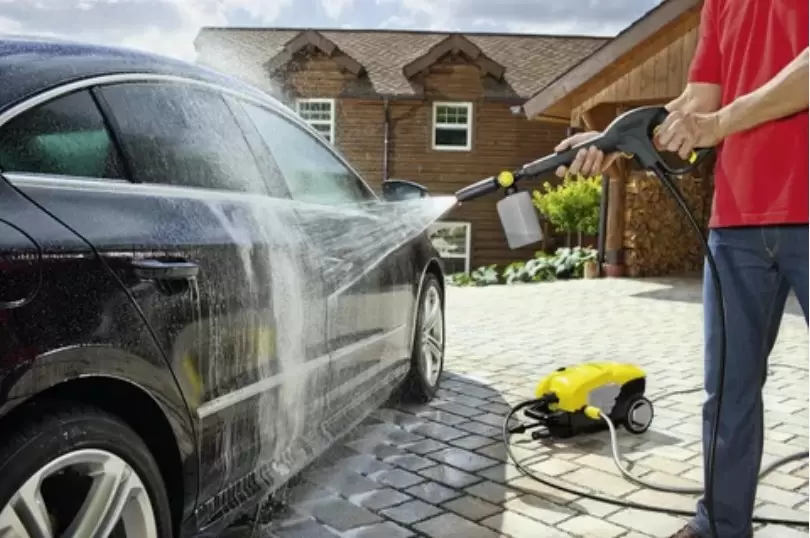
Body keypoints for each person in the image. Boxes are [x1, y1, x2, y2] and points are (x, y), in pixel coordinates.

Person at [552, 0, 809, 536]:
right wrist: (619, 140)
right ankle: (718, 526)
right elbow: (699, 99)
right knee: (728, 390)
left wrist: (718, 123)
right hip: (736, 218)